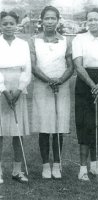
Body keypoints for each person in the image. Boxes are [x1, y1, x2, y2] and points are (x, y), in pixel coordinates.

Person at [29, 6, 74, 180]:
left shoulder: (65, 41)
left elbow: (70, 65)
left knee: (58, 128)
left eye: (53, 18)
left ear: (58, 20)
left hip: (61, 86)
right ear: (42, 20)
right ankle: (45, 166)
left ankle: (57, 164)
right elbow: (33, 66)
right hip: (43, 87)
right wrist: (48, 80)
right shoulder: (34, 40)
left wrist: (60, 80)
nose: (49, 22)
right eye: (46, 18)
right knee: (44, 128)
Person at [72, 8, 98, 181]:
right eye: (90, 19)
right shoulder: (79, 39)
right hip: (85, 81)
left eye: (96, 19)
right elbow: (78, 66)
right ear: (86, 22)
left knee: (97, 124)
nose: (93, 22)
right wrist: (92, 84)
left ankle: (95, 167)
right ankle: (82, 169)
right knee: (85, 124)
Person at [0, 11, 31, 183]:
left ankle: (17, 170)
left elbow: (27, 69)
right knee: (0, 132)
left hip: (19, 87)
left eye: (12, 23)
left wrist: (19, 90)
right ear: (0, 25)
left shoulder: (23, 44)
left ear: (17, 25)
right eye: (5, 23)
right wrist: (3, 90)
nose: (8, 26)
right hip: (1, 88)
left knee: (17, 133)